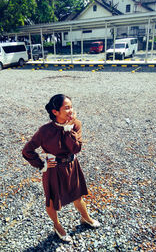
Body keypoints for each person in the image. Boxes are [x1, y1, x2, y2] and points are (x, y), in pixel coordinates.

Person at [22, 94, 100, 242]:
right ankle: (57, 226)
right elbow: (27, 150)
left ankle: (86, 218)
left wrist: (68, 129)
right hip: (53, 169)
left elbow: (76, 149)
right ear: (55, 112)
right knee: (52, 201)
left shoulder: (76, 124)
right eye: (66, 108)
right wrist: (42, 165)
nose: (71, 110)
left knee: (77, 195)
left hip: (72, 165)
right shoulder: (44, 131)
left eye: (71, 107)